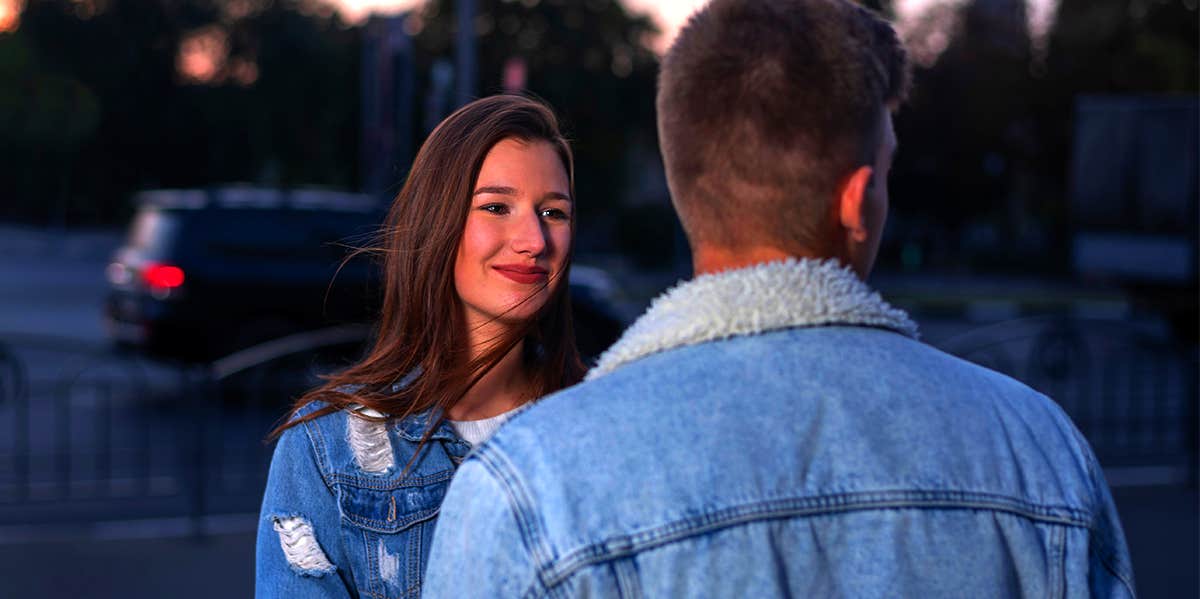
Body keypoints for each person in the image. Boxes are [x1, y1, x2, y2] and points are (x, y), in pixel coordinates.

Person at [422, 1, 1135, 597]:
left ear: (684, 188)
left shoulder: (528, 485)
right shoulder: (1039, 454)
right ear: (858, 201)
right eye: (884, 169)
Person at [254, 94, 586, 598]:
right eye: (497, 207)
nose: (534, 239)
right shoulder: (327, 449)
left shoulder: (606, 421)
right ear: (439, 221)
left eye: (554, 212)